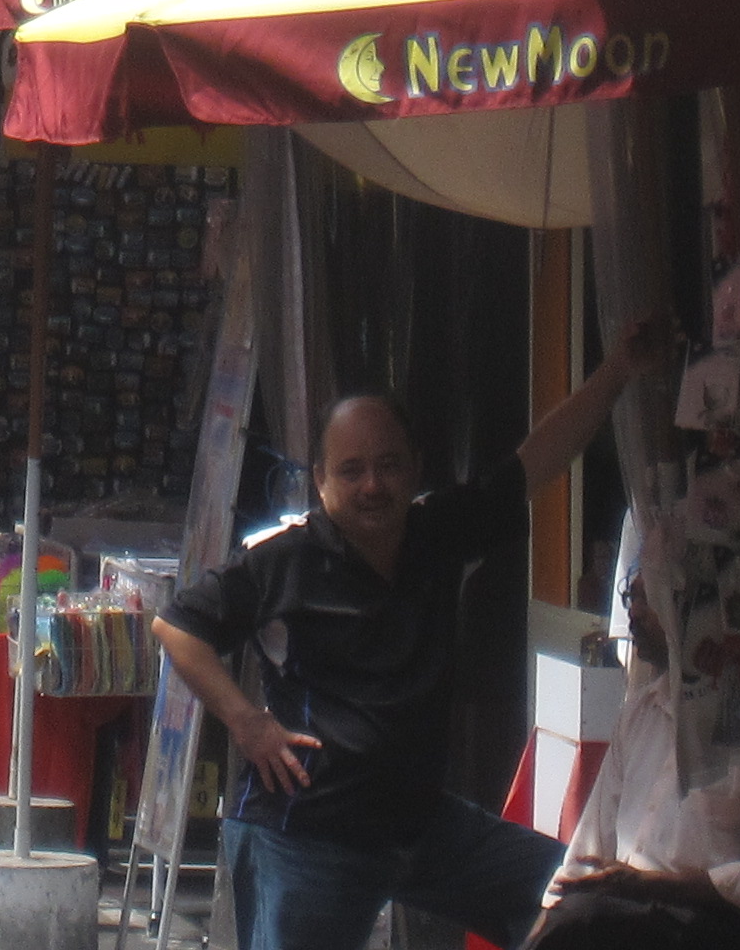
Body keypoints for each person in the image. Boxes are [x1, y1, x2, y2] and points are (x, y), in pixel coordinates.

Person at [152, 321, 671, 950]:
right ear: (321, 480)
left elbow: (535, 464)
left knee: (572, 900)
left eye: (388, 466)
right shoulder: (286, 562)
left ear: (415, 468)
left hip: (421, 823)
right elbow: (178, 625)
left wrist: (615, 371)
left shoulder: (436, 535)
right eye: (352, 471)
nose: (373, 486)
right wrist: (244, 721)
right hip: (310, 831)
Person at [523, 579, 740, 949]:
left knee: (585, 923)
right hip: (625, 908)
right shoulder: (638, 713)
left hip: (710, 923)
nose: (633, 613)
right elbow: (589, 849)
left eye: (648, 598)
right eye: (631, 596)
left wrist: (653, 885)